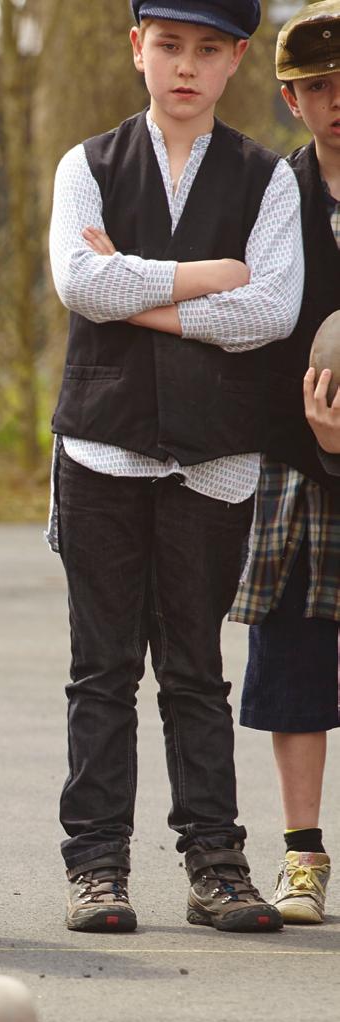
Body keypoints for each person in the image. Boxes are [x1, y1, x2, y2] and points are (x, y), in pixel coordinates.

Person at [47, 0, 303, 933]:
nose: (184, 66)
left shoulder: (266, 178)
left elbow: (270, 313)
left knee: (196, 671)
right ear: (137, 50)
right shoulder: (88, 164)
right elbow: (81, 283)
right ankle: (98, 866)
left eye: (206, 49)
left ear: (236, 59)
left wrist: (140, 291)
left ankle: (217, 865)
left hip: (215, 459)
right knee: (102, 670)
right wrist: (209, 273)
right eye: (168, 46)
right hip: (102, 449)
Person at [242, 3, 340, 924]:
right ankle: (303, 855)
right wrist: (313, 433)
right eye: (320, 87)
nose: (339, 101)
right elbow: (252, 329)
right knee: (293, 659)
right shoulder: (275, 197)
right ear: (291, 99)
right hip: (295, 460)